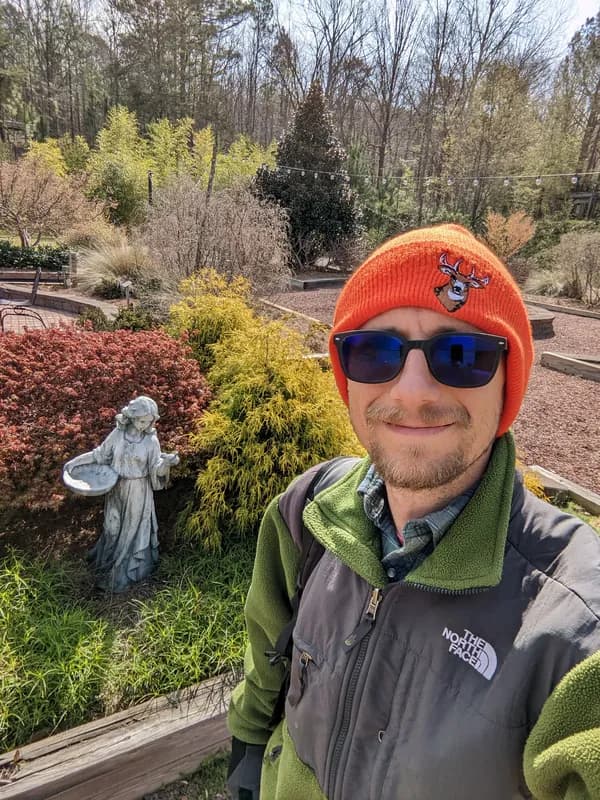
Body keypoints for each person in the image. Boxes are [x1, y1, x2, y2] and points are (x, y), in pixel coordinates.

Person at [226, 223, 600, 800]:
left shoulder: (574, 629)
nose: (413, 391)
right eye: (376, 352)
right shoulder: (307, 511)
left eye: (462, 355)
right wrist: (249, 756)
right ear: (345, 374)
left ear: (509, 381)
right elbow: (268, 661)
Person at [64, 395, 179, 592]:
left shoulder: (151, 441)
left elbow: (156, 468)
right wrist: (75, 462)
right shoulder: (118, 434)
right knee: (112, 527)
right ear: (132, 417)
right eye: (142, 421)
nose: (145, 425)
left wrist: (166, 464)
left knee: (130, 533)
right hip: (116, 488)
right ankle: (106, 563)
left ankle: (124, 573)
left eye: (148, 422)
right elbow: (100, 454)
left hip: (138, 491)